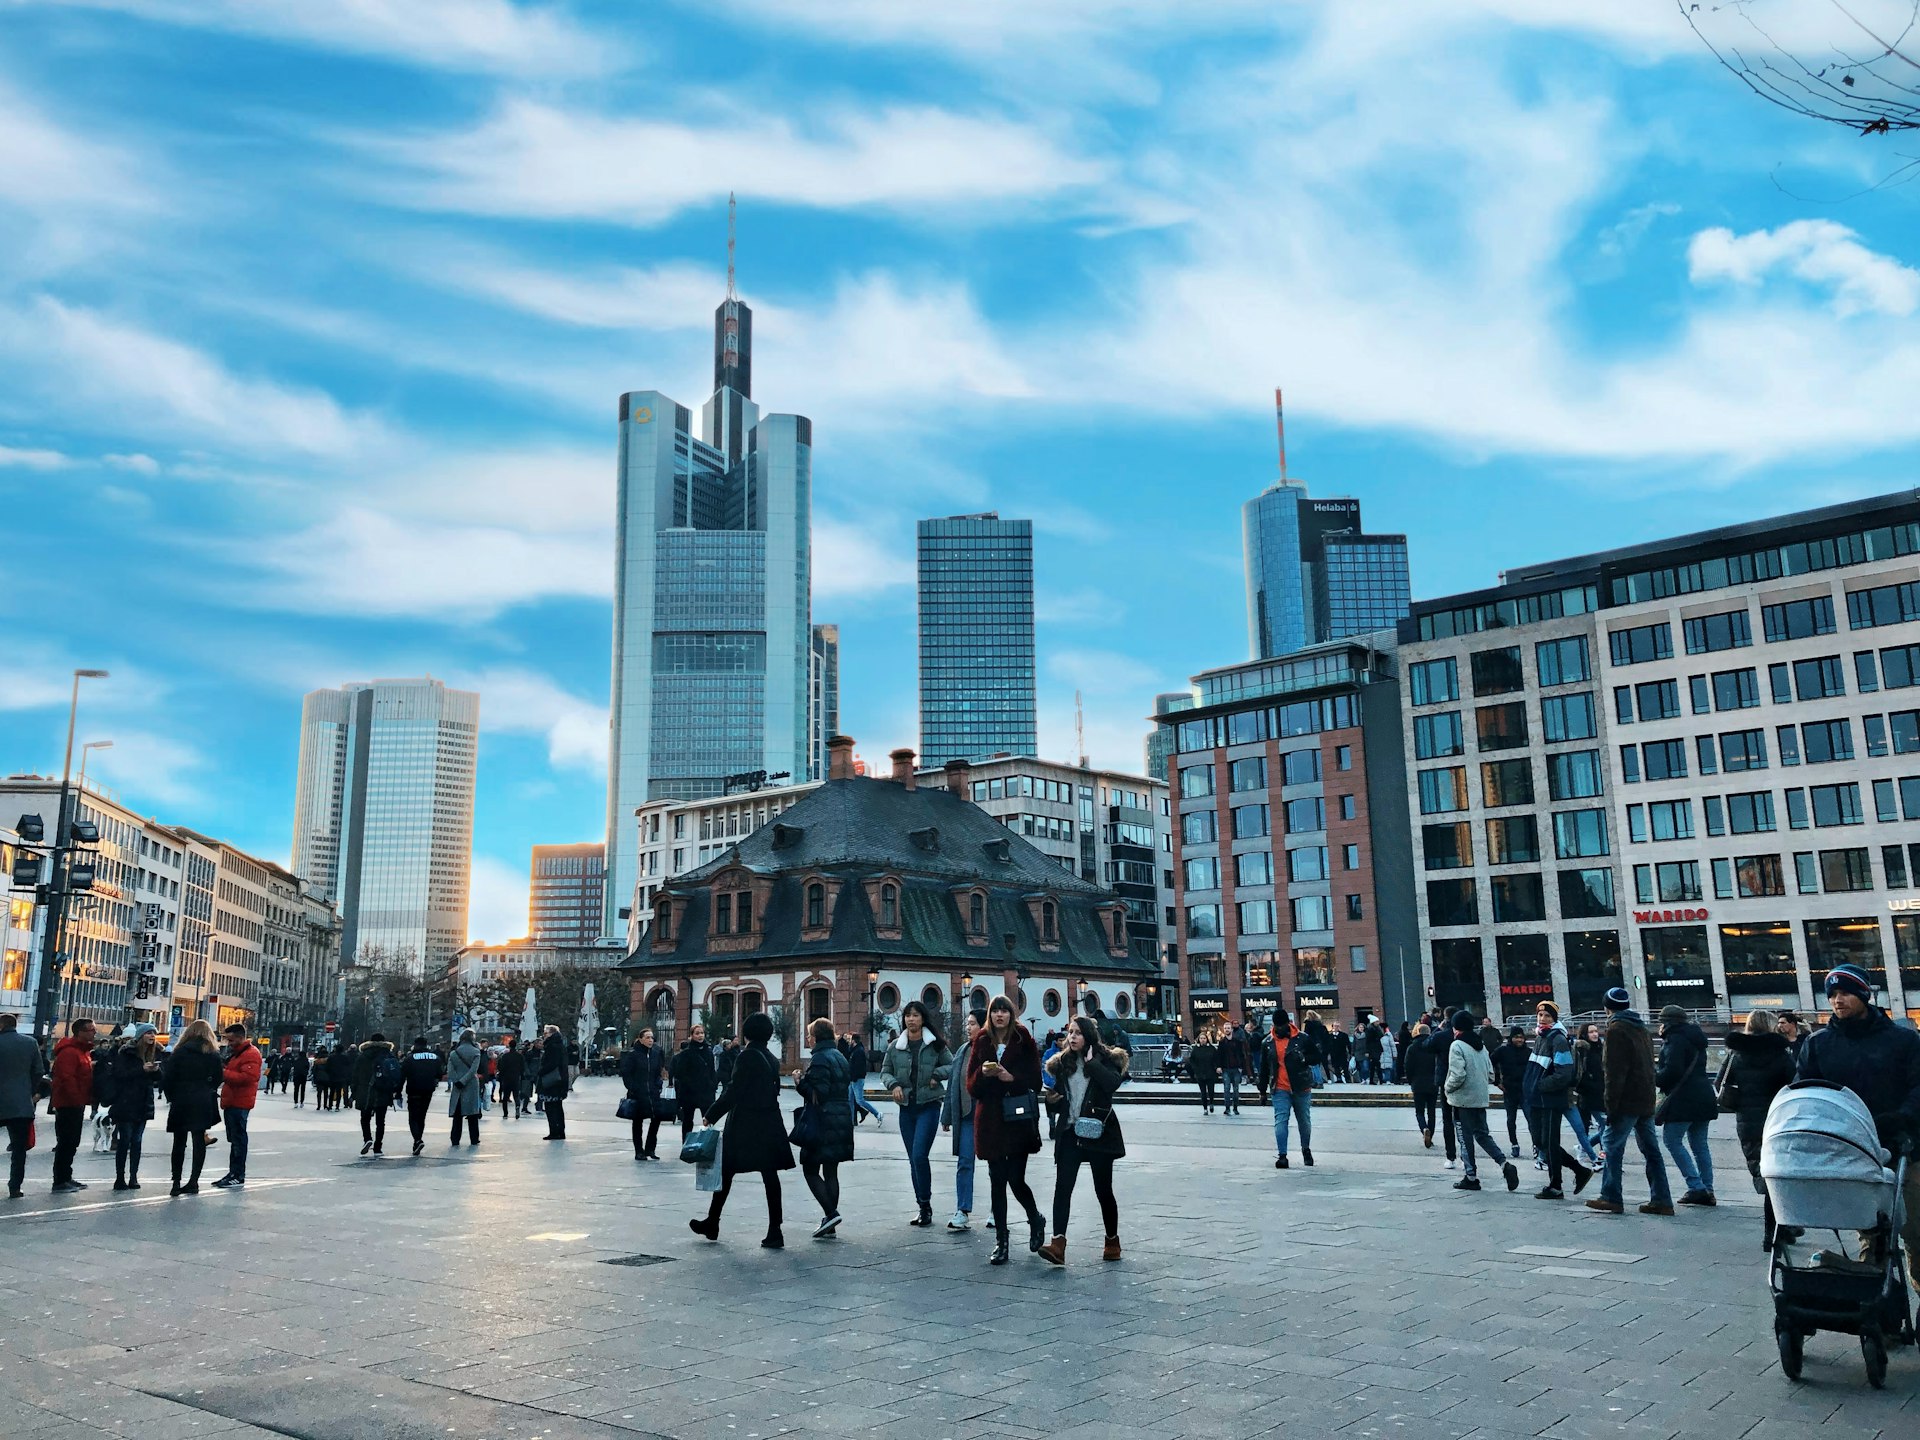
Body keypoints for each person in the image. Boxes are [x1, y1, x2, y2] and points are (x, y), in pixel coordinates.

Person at [1796, 962, 1920, 1277]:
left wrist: (1903, 1117)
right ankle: (1880, 1307)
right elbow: (1806, 1092)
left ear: (1864, 995)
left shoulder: (1903, 1041)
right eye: (1833, 994)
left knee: (1916, 1234)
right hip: (1853, 1152)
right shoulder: (1819, 1044)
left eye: (1846, 993)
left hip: (1905, 1148)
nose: (1838, 1000)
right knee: (1872, 1234)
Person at [689, 1011, 793, 1247]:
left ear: (747, 1033)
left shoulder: (747, 1057)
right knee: (769, 1175)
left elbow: (734, 1091)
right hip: (769, 1122)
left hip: (747, 1123)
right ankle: (775, 1229)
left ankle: (713, 1222)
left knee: (726, 1171)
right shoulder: (770, 1057)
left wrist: (711, 1114)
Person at [1039, 1015, 1128, 1265]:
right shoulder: (1062, 1063)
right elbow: (1058, 1098)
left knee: (1103, 1190)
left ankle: (1112, 1240)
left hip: (1098, 1133)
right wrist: (1052, 1102)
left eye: (1077, 1032)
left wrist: (1092, 1065)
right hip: (1070, 1134)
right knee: (1062, 1189)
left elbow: (1112, 1085)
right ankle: (1058, 1244)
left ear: (1088, 1035)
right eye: (1070, 1032)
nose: (1072, 1037)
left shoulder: (1107, 1059)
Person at [966, 995, 1047, 1265]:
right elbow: (971, 1086)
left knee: (1016, 1178)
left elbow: (1036, 1080)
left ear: (1012, 1014)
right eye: (996, 1011)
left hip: (1017, 1120)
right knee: (996, 1181)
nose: (1000, 1015)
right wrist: (983, 1074)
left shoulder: (1023, 1039)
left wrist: (1011, 1078)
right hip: (990, 1120)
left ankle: (1035, 1218)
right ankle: (1002, 1241)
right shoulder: (981, 1039)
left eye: (1005, 1011)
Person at [1586, 988, 1674, 1217]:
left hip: (1626, 1100)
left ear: (1608, 1007)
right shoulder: (1641, 1028)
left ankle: (1611, 1196)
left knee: (1612, 1145)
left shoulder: (1617, 1030)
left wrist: (1611, 1105)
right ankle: (1662, 1199)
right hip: (1645, 1098)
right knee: (1651, 1150)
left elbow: (1615, 1073)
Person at [1720, 1009, 1796, 1249]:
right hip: (1777, 1119)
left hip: (1748, 1121)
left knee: (1764, 1173)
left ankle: (1779, 1231)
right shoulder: (1780, 1053)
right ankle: (1775, 1232)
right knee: (1778, 1174)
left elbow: (1720, 1081)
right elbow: (1794, 1082)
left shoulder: (1736, 1053)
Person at [882, 1000, 951, 1227]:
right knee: (913, 1159)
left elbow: (952, 1065)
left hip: (929, 1105)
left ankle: (926, 1204)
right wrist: (893, 1085)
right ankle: (922, 1206)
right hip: (906, 1108)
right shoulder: (895, 1046)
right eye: (908, 1015)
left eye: (915, 1015)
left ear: (923, 1019)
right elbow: (885, 1071)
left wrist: (937, 1074)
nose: (911, 1019)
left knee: (920, 1155)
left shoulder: (935, 1044)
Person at [1444, 1010, 1518, 1192]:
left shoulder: (1457, 1045)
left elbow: (1458, 1074)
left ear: (1457, 1027)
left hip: (1462, 1099)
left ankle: (1471, 1176)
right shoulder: (1481, 1046)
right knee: (1483, 1134)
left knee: (1464, 1138)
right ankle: (1504, 1164)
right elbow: (1491, 1074)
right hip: (1480, 1097)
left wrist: (1448, 1088)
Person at [794, 1017, 853, 1237]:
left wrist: (800, 1083)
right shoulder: (839, 1056)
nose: (808, 1039)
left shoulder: (819, 1058)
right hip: (841, 1119)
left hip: (823, 1122)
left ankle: (831, 1212)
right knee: (831, 1170)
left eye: (809, 1035)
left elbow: (818, 1095)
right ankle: (830, 1222)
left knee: (809, 1168)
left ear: (816, 1037)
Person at [1654, 1004, 1718, 1206]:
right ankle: (1708, 1188)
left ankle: (1696, 1187)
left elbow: (1672, 1071)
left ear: (1667, 1023)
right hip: (1703, 1095)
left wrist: (1655, 1077)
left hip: (1683, 1098)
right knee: (1700, 1145)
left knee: (1672, 1140)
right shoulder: (1696, 1038)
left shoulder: (1675, 1039)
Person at [1528, 1001, 1591, 1201]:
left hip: (1551, 1098)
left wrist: (1540, 1085)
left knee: (1549, 1141)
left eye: (1547, 1015)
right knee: (1542, 1141)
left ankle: (1556, 1185)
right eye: (1540, 1015)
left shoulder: (1557, 1039)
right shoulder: (1542, 1036)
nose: (1542, 1018)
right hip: (1540, 1098)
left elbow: (1564, 1073)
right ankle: (1578, 1170)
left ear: (1554, 1018)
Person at [163, 1020, 223, 1196]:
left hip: (181, 1098)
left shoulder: (180, 1052)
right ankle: (194, 1181)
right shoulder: (212, 1053)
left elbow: (168, 1077)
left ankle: (175, 1182)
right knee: (199, 1141)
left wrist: (172, 1096)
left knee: (179, 1142)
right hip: (202, 1098)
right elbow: (219, 1077)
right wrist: (208, 1087)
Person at [942, 1008, 984, 1230]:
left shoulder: (994, 1049)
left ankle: (998, 1211)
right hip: (967, 1115)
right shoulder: (962, 1051)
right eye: (967, 1023)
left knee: (997, 1165)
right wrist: (947, 1114)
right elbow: (952, 1085)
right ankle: (963, 1209)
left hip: (989, 1115)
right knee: (965, 1162)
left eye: (973, 1023)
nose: (968, 1027)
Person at [1258, 1009, 1315, 1169]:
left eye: (1282, 1025)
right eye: (1277, 1026)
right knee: (1281, 1120)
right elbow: (1263, 1068)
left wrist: (1304, 1058)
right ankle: (1282, 1155)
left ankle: (1306, 1149)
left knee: (1304, 1121)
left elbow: (1317, 1056)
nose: (1279, 1029)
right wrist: (1262, 1091)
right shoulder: (1268, 1042)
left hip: (1301, 1086)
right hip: (1280, 1087)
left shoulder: (1302, 1038)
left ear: (1288, 1024)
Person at [109, 1024, 160, 1191]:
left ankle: (133, 1176)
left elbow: (160, 1079)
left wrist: (156, 1071)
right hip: (126, 1102)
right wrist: (141, 1069)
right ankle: (119, 1177)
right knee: (125, 1140)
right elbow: (119, 1074)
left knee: (137, 1141)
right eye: (149, 1033)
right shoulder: (127, 1053)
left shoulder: (154, 1053)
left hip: (143, 1103)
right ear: (140, 1036)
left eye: (154, 1033)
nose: (152, 1036)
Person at [48, 1017, 96, 1193]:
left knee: (71, 1141)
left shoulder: (82, 1052)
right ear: (80, 1032)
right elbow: (67, 1078)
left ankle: (65, 1177)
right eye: (90, 1030)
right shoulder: (70, 1052)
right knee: (66, 1141)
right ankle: (60, 1180)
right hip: (69, 1103)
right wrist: (77, 1098)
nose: (94, 1033)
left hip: (76, 1102)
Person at [0, 1013, 46, 1200]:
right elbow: (39, 1071)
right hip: (20, 1103)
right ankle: (15, 1186)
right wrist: (29, 1091)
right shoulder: (30, 1043)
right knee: (19, 1149)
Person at [212, 1023, 260, 1188]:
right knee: (235, 1140)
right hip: (233, 1101)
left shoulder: (250, 1054)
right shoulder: (238, 1054)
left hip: (240, 1102)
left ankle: (238, 1174)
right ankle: (233, 1173)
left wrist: (223, 1073)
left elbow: (248, 1078)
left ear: (240, 1037)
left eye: (231, 1040)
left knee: (238, 1139)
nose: (229, 1043)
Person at [622, 1027, 667, 1160]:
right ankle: (639, 1150)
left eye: (652, 1037)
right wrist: (632, 1088)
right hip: (638, 1093)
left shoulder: (655, 1053)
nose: (650, 1040)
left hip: (653, 1092)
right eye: (647, 1037)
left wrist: (658, 1084)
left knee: (657, 1118)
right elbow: (626, 1073)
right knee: (638, 1122)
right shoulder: (633, 1055)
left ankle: (650, 1149)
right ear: (640, 1039)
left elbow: (658, 1071)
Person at [670, 1023, 717, 1142]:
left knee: (708, 1118)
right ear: (691, 1036)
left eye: (702, 1033)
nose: (700, 1036)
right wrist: (691, 1084)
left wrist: (713, 1084)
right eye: (697, 1033)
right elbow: (680, 1073)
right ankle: (686, 1143)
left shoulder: (708, 1051)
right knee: (687, 1120)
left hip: (706, 1091)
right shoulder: (686, 1053)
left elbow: (712, 1070)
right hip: (689, 1092)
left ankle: (707, 1144)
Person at [352, 1032, 397, 1155]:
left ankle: (367, 1138)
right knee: (380, 1121)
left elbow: (355, 1075)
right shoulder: (388, 1055)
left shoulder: (362, 1056)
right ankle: (378, 1146)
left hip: (365, 1091)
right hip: (383, 1091)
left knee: (365, 1119)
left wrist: (354, 1093)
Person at [395, 1035, 441, 1155]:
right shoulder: (434, 1057)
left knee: (413, 1117)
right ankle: (418, 1139)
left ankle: (417, 1140)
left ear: (415, 1045)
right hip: (428, 1090)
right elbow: (439, 1074)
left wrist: (398, 1092)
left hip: (414, 1089)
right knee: (422, 1116)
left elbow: (402, 1076)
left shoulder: (410, 1058)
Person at [1491, 1028, 1531, 1152]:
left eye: (1521, 1037)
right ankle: (1514, 1144)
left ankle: (1536, 1145)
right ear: (1511, 1038)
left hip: (1525, 1090)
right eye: (1516, 1037)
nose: (1519, 1040)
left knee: (1531, 1119)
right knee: (1511, 1119)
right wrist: (1496, 1081)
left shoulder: (1529, 1052)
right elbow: (1489, 1062)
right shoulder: (1503, 1051)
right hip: (1509, 1090)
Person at [1573, 1022, 1607, 1159]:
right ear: (1584, 1034)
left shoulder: (1601, 1048)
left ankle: (1583, 1147)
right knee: (1605, 1125)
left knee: (1606, 1126)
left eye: (1596, 1031)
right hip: (1589, 1094)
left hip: (1602, 1092)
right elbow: (1579, 1073)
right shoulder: (1582, 1050)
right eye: (1591, 1032)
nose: (1595, 1034)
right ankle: (1604, 1154)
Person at [1404, 1023, 1440, 1150]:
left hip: (1417, 1083)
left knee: (1419, 1111)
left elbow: (1407, 1066)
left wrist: (1410, 1080)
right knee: (1432, 1111)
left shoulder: (1412, 1048)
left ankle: (1424, 1128)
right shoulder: (1434, 1047)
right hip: (1433, 1083)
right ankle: (1431, 1135)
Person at [447, 1029, 485, 1146]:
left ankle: (455, 1139)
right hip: (471, 1084)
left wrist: (457, 1081)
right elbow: (474, 1070)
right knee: (472, 1114)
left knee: (457, 1115)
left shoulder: (454, 1053)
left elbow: (450, 1070)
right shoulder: (476, 1052)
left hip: (458, 1086)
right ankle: (474, 1138)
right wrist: (464, 1080)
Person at [538, 1024, 570, 1138]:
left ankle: (555, 1131)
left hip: (552, 1081)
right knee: (557, 1106)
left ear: (551, 1033)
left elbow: (552, 1064)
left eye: (546, 1033)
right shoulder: (559, 1045)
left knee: (551, 1107)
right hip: (558, 1080)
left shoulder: (552, 1046)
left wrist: (541, 1071)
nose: (544, 1035)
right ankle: (559, 1131)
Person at [845, 1032, 881, 1127]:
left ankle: (877, 1114)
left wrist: (855, 1077)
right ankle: (851, 1121)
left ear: (854, 1040)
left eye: (850, 1039)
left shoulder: (859, 1051)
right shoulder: (854, 1050)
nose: (849, 1041)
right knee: (850, 1100)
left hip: (857, 1079)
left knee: (860, 1100)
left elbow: (860, 1067)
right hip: (852, 1079)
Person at [1215, 1022, 1248, 1115]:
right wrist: (1219, 1066)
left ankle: (1235, 1108)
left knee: (1236, 1089)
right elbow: (1219, 1056)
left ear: (1231, 1029)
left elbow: (1242, 1055)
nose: (1227, 1030)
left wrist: (1242, 1067)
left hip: (1236, 1068)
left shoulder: (1237, 1042)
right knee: (1226, 1088)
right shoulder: (1221, 1042)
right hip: (1226, 1068)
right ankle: (1227, 1108)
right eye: (1225, 1028)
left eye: (1228, 1028)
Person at [1188, 1027, 1219, 1114]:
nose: (1202, 1040)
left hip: (1210, 1073)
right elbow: (1192, 1060)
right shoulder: (1196, 1049)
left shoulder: (1211, 1048)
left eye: (1204, 1038)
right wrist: (1195, 1069)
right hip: (1200, 1073)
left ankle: (1211, 1103)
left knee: (1211, 1091)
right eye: (1201, 1038)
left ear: (1207, 1039)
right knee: (1203, 1092)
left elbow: (1215, 1059)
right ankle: (1205, 1108)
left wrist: (1216, 1067)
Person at [495, 1037, 524, 1121]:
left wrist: (501, 1076)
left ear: (509, 1045)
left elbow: (501, 1067)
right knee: (516, 1095)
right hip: (516, 1078)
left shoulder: (505, 1056)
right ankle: (517, 1108)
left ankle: (505, 1113)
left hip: (507, 1078)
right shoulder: (519, 1056)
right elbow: (522, 1067)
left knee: (505, 1097)